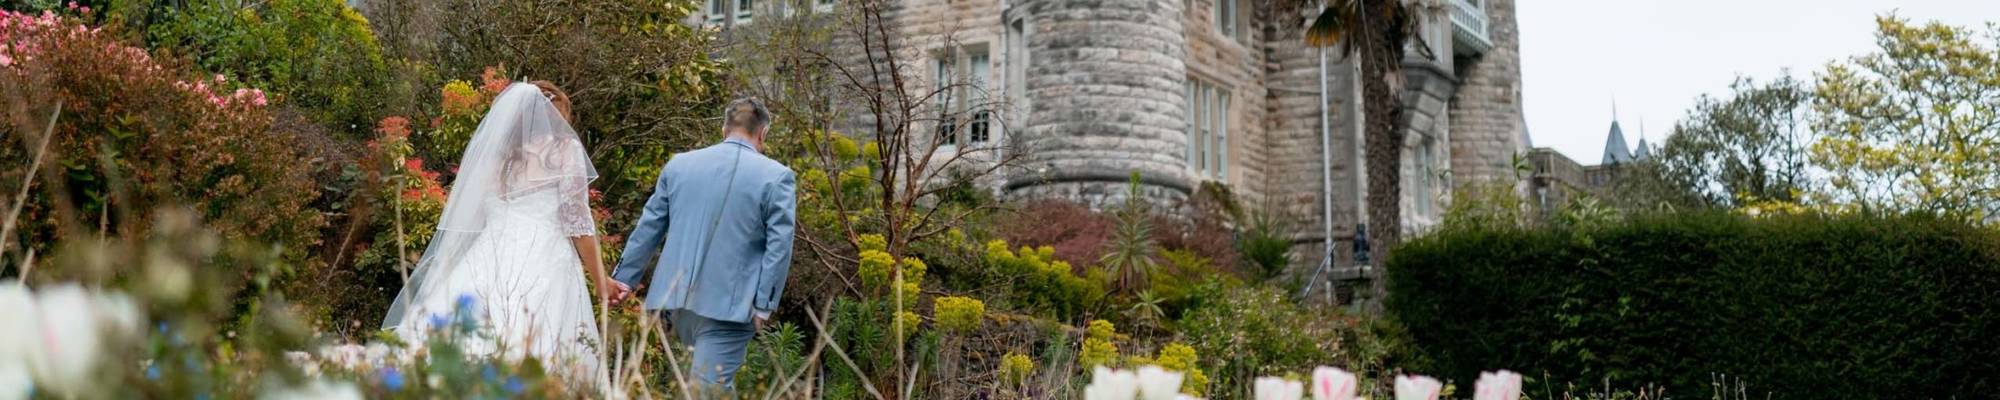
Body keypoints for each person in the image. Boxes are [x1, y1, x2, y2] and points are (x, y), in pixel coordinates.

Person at [380, 81, 613, 385]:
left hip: (487, 255)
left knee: (464, 336)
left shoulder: (496, 156)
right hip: (545, 258)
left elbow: (474, 216)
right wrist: (601, 281)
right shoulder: (564, 150)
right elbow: (577, 223)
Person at [609, 97, 797, 391]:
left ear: (724, 129)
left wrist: (623, 280)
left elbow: (649, 228)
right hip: (729, 307)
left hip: (671, 303)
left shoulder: (680, 165)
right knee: (708, 390)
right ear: (763, 134)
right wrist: (764, 305)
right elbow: (779, 247)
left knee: (691, 388)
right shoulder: (777, 177)